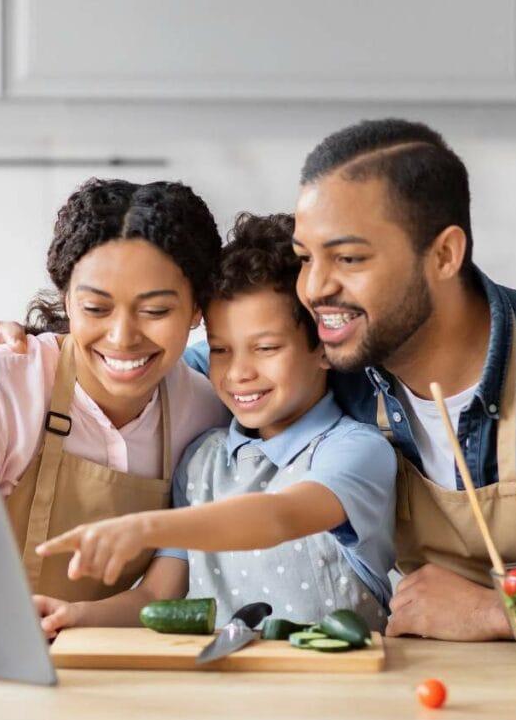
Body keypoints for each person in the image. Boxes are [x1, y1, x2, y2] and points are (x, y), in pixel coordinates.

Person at [0, 118, 516, 643]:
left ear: (444, 254)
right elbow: (147, 351)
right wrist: (28, 339)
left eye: (348, 259)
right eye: (306, 259)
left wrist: (506, 612)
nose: (315, 287)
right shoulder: (335, 359)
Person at [0, 178, 229, 673]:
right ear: (66, 298)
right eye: (95, 308)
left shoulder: (207, 409)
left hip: (86, 662)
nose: (122, 337)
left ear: (198, 309)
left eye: (156, 311)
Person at [30, 213, 396, 635]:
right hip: (220, 693)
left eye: (266, 347)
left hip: (338, 691)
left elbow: (279, 516)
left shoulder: (356, 450)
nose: (238, 373)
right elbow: (155, 597)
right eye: (221, 349)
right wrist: (76, 615)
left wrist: (143, 528)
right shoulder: (201, 461)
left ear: (325, 349)